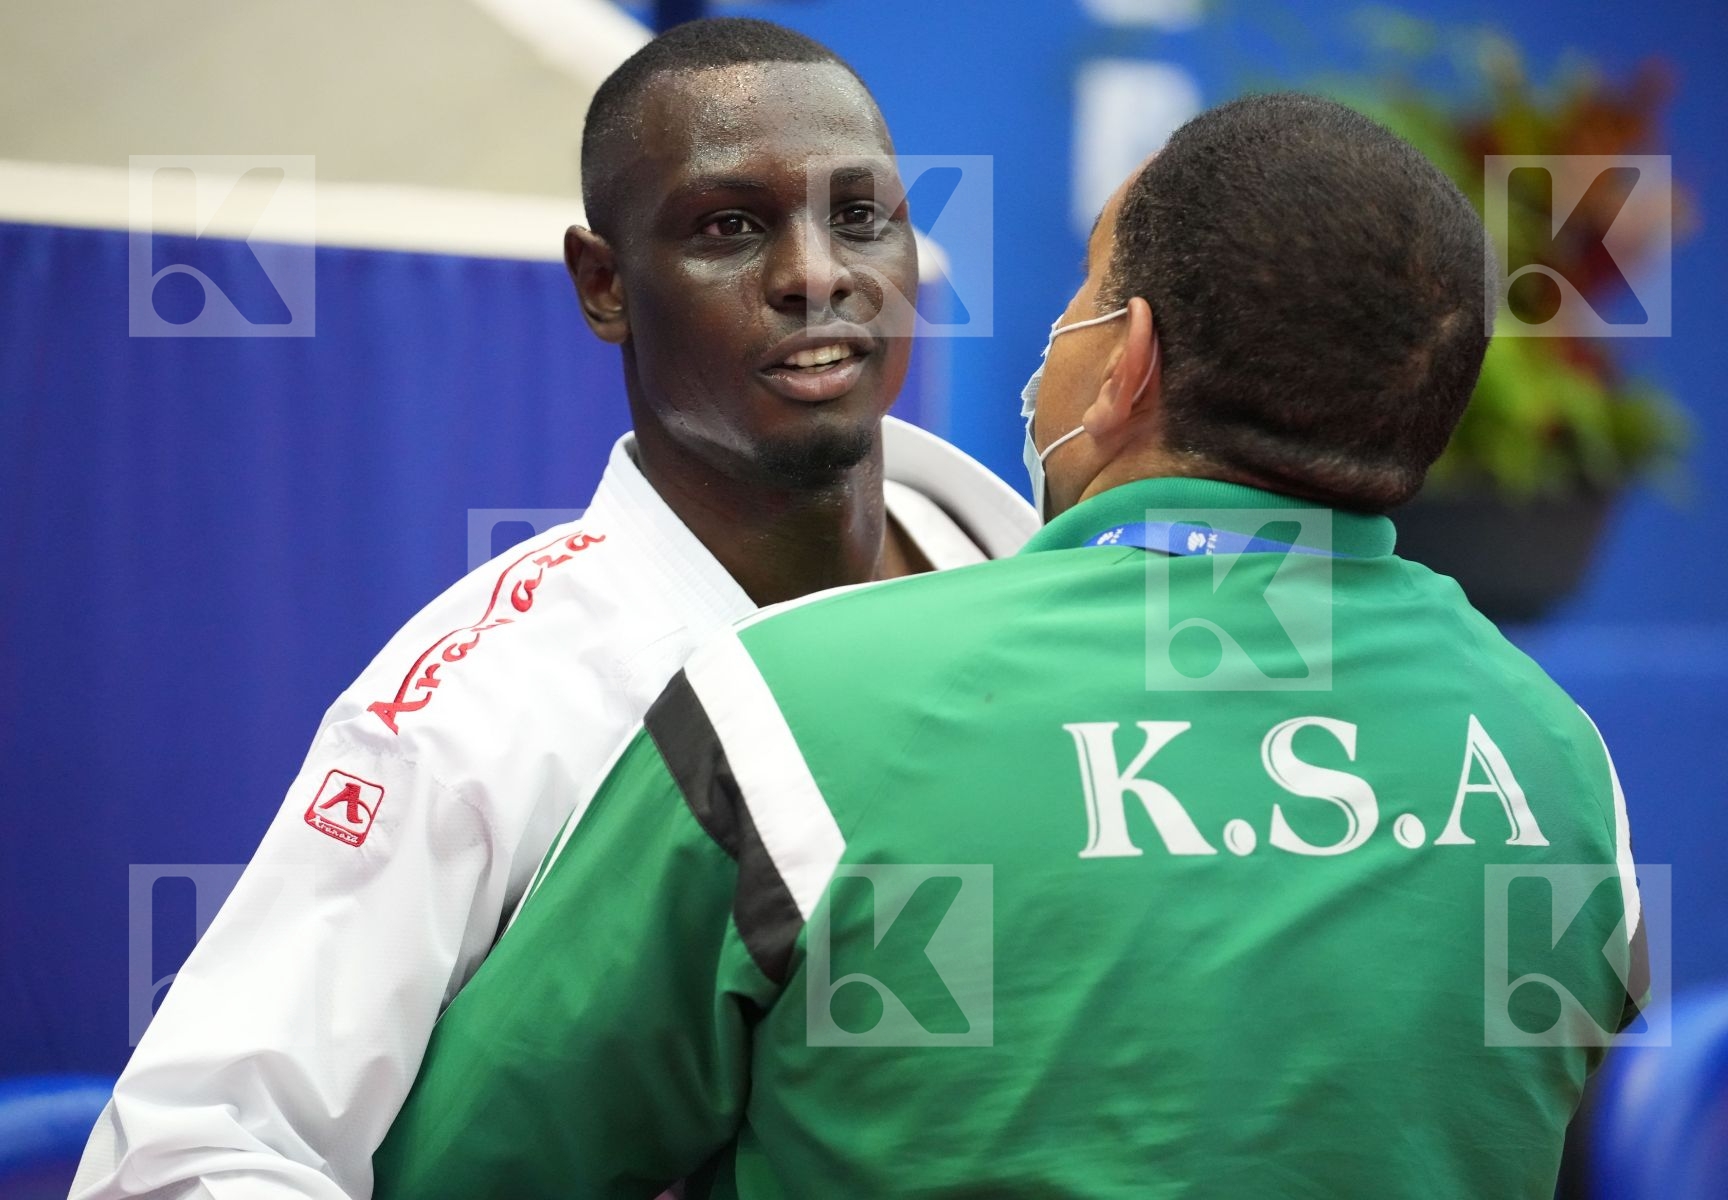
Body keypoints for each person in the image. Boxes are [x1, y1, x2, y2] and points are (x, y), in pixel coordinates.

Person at [372, 93, 1648, 1199]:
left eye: (1084, 295)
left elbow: (468, 1171)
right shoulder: (1556, 760)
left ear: (1126, 364)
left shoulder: (786, 711)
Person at [72, 18, 1034, 1200]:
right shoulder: (479, 706)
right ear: (603, 286)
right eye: (729, 226)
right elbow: (193, 1153)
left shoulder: (1048, 617)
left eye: (859, 216)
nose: (814, 275)